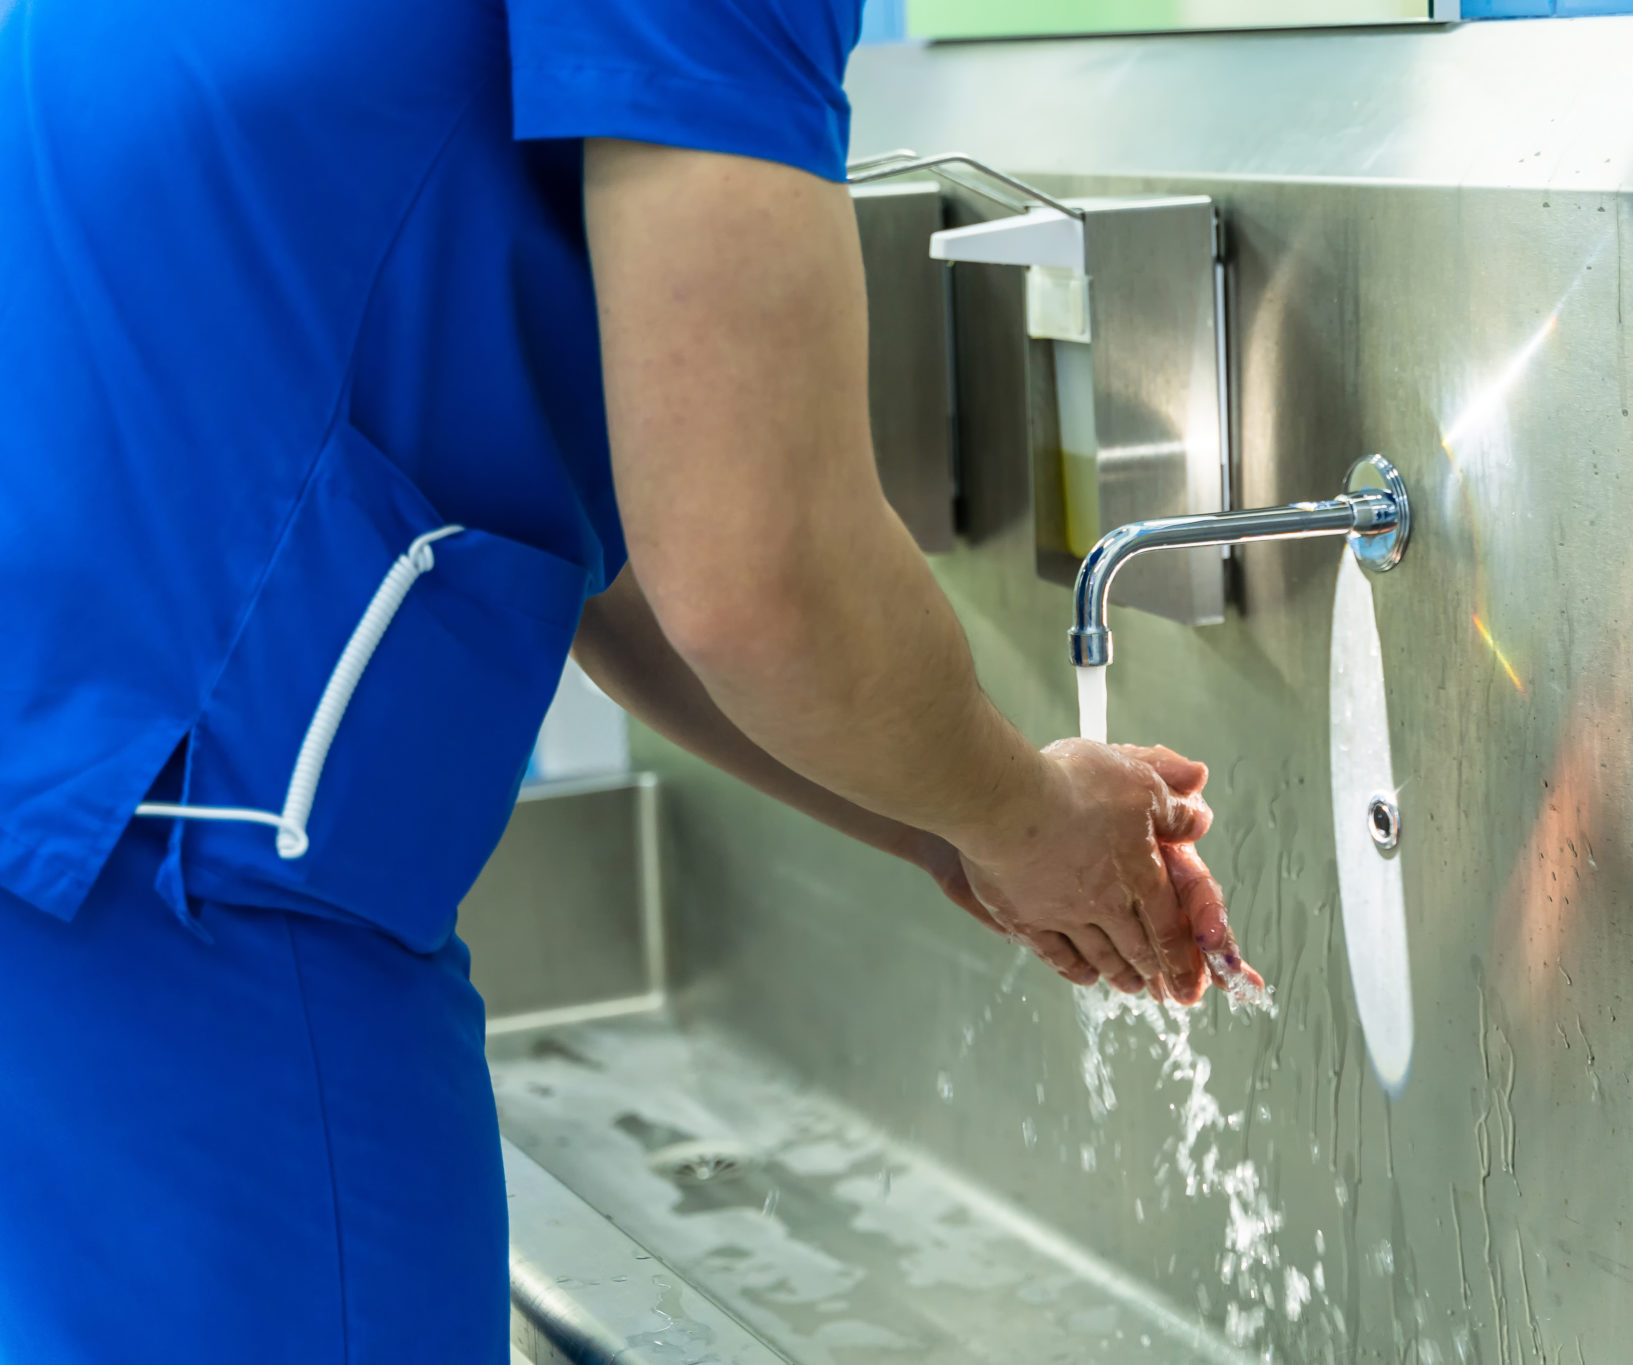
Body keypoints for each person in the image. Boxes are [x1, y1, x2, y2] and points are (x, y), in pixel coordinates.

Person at [0, 0, 1256, 1357]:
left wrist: (961, 818)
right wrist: (1020, 817)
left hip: (71, 820)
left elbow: (630, 560)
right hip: (187, 896)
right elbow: (757, 566)